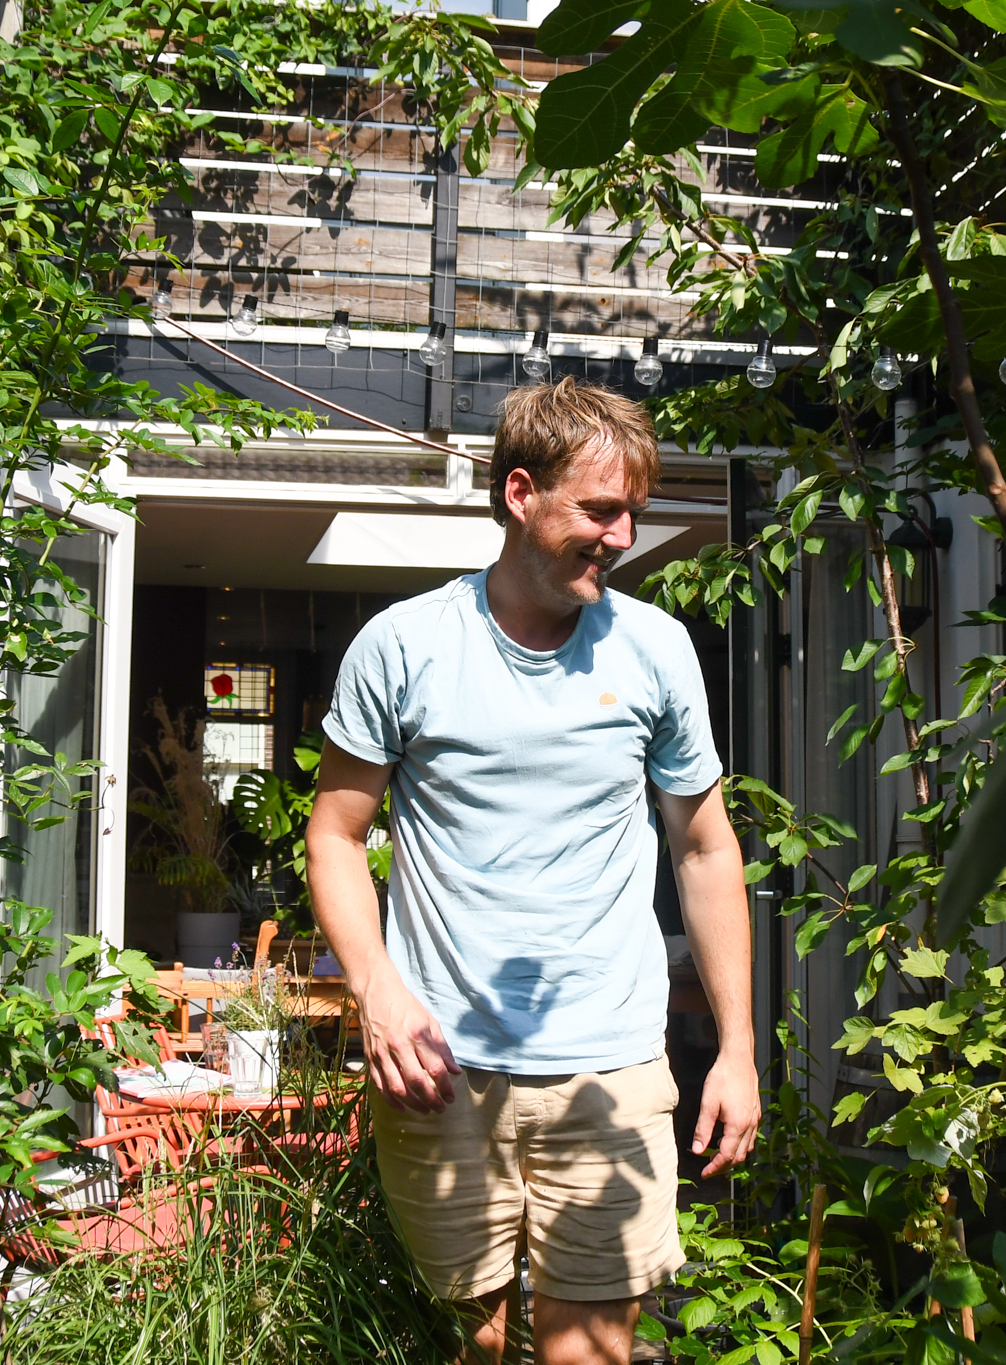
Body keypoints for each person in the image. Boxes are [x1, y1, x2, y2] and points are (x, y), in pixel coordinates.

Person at [306, 378, 760, 1365]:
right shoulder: (404, 647)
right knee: (472, 1343)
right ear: (520, 494)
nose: (623, 535)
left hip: (610, 1065)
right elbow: (335, 834)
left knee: (586, 1354)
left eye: (633, 512)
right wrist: (376, 992)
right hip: (441, 1070)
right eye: (599, 509)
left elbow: (704, 846)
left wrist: (734, 1046)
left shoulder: (654, 651)